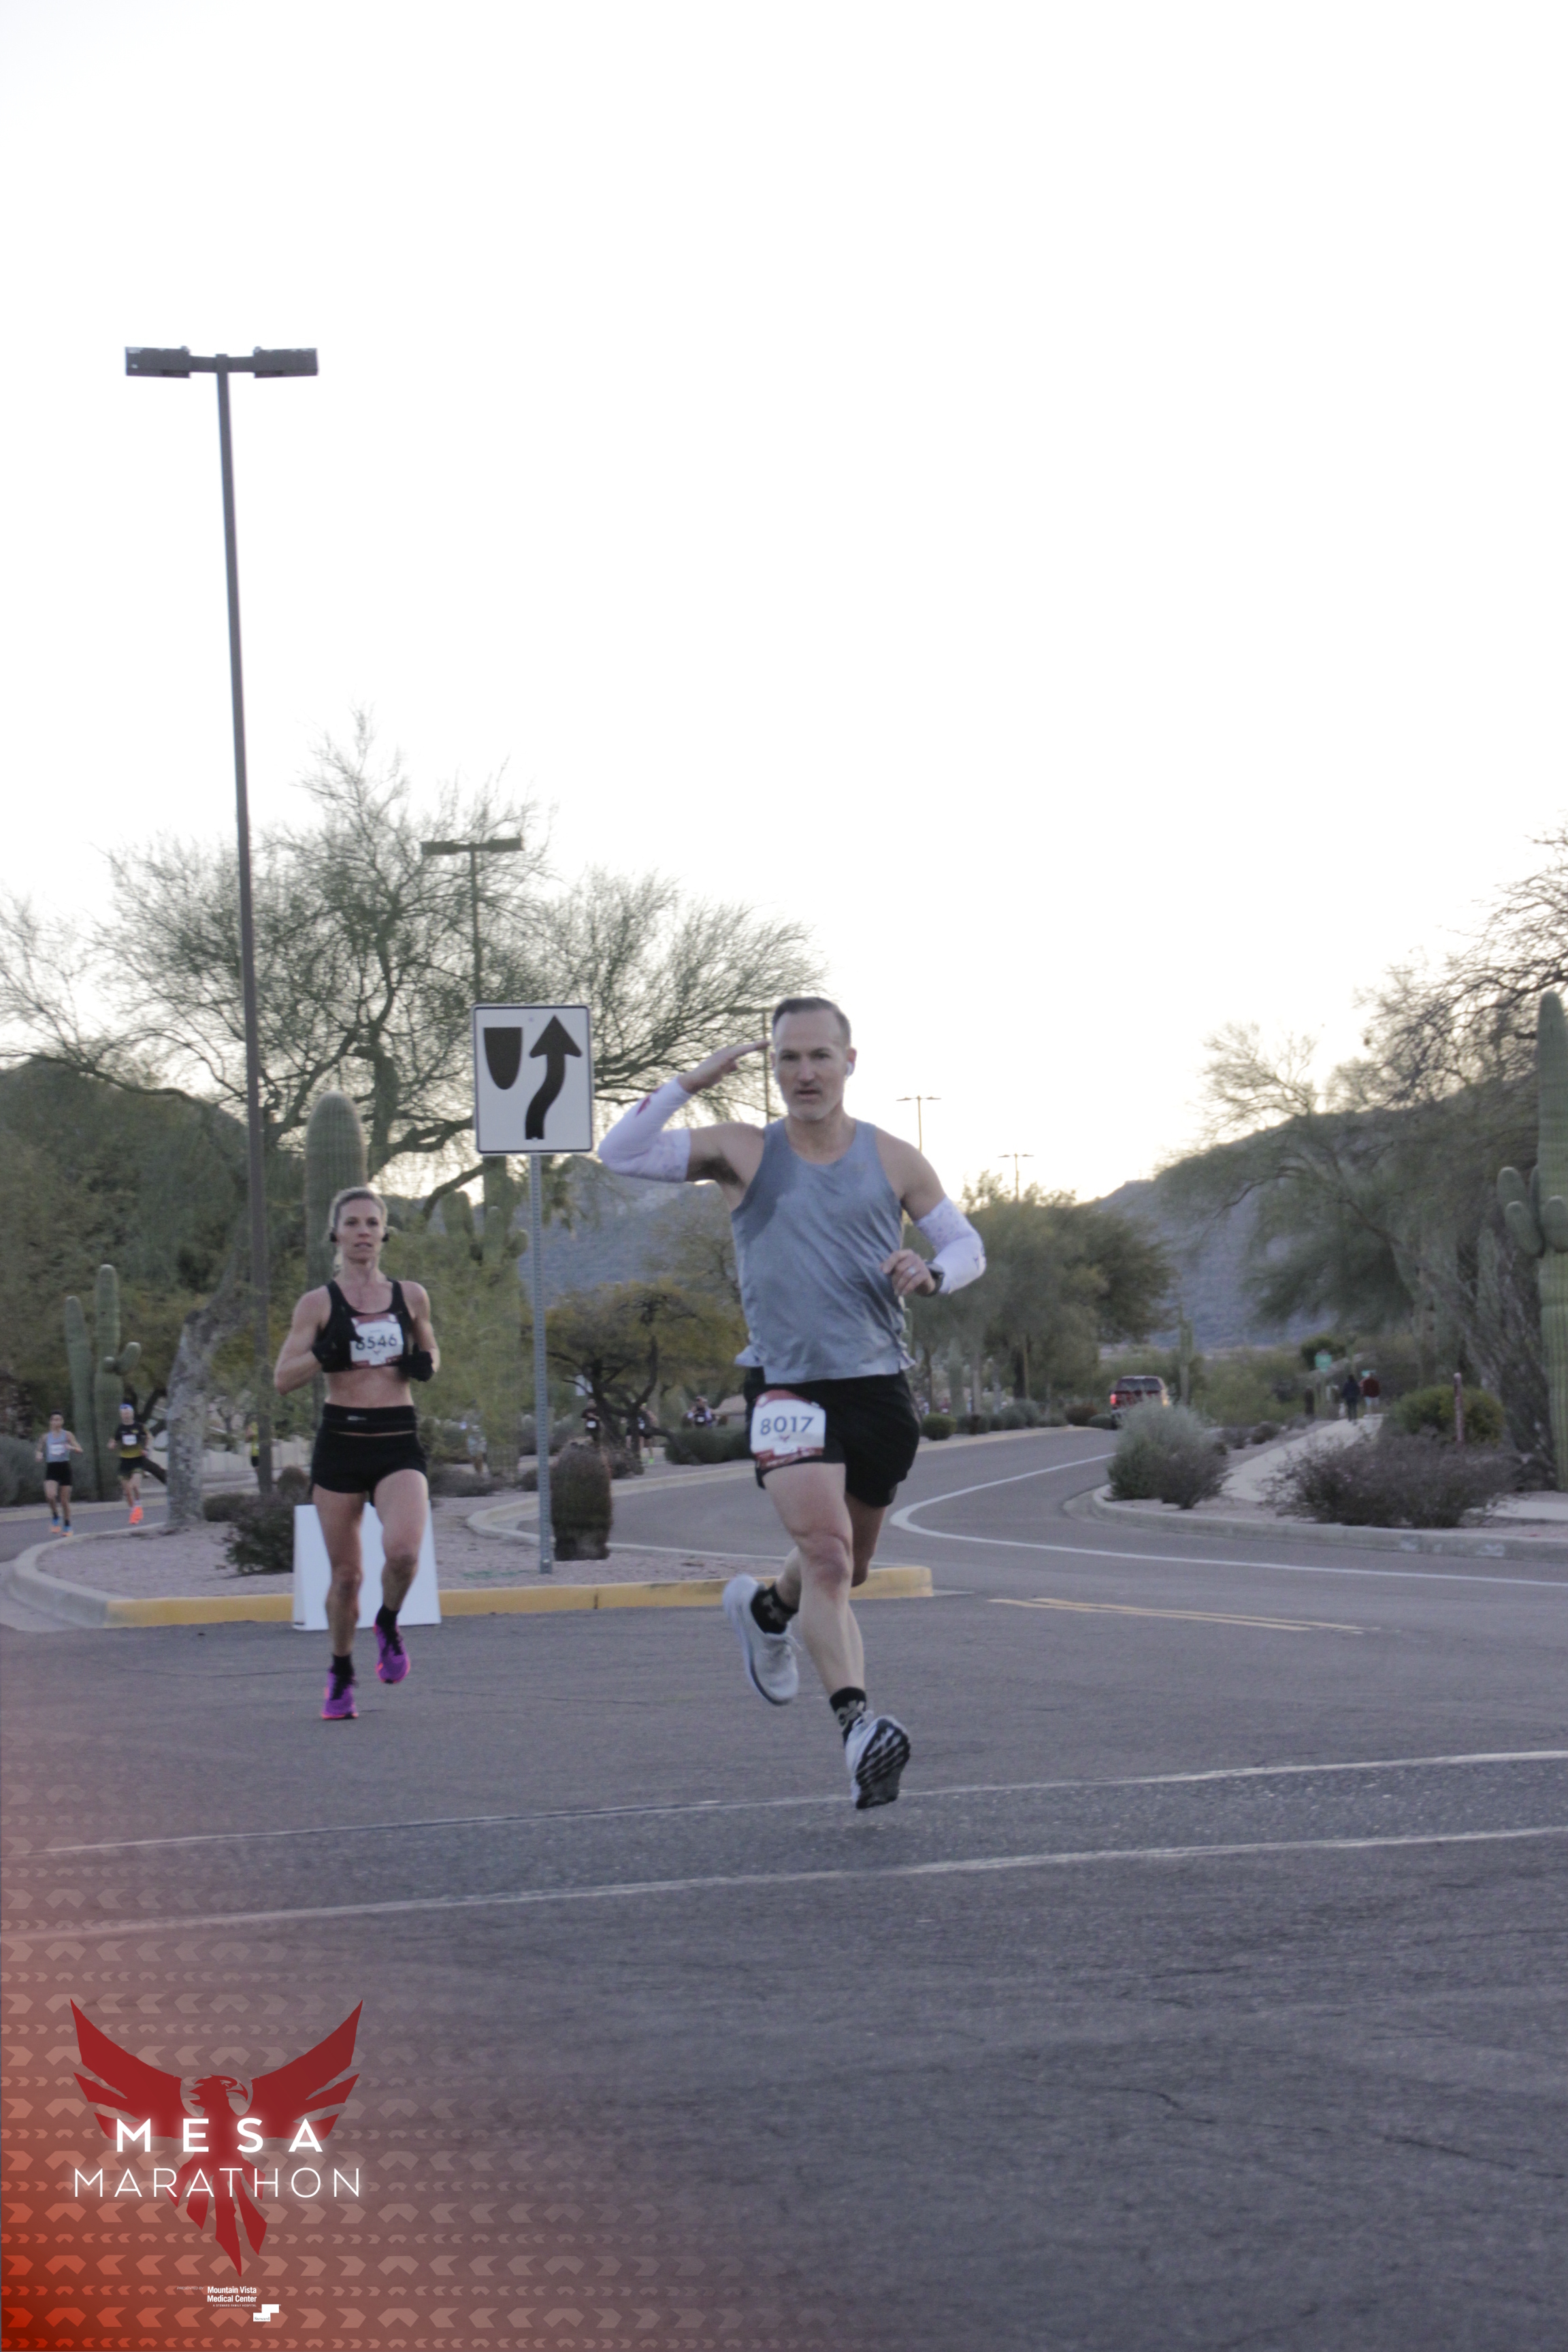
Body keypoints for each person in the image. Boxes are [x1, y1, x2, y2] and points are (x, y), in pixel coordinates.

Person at [598, 996, 985, 1808]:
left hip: (877, 1387)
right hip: (785, 1384)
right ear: (772, 1067)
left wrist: (933, 1273)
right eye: (788, 1058)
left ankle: (768, 1613)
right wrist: (692, 1081)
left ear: (850, 1062)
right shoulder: (743, 1150)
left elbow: (965, 1243)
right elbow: (621, 1152)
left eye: (819, 1056)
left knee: (851, 1567)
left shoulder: (895, 1159)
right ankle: (859, 1731)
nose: (804, 1073)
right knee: (829, 1557)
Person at [274, 1186, 439, 1721]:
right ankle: (341, 1671)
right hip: (341, 1443)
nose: (363, 1232)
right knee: (347, 1578)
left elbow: (431, 1348)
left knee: (404, 1554)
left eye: (372, 1222)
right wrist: (323, 1353)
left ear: (384, 1233)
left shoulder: (411, 1295)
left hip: (397, 1438)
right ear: (336, 1234)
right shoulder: (318, 1304)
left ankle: (387, 1623)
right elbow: (282, 1378)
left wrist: (425, 1364)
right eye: (352, 1223)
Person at [35, 1412, 83, 1533]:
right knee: (50, 1495)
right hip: (52, 1468)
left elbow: (80, 1450)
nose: (56, 1422)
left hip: (64, 1468)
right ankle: (55, 1515)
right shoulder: (45, 1437)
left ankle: (67, 1525)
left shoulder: (67, 1435)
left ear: (62, 1422)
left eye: (59, 1420)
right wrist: (39, 1455)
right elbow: (39, 1450)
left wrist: (72, 1448)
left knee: (64, 1501)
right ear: (51, 1422)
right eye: (54, 1420)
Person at [111, 1400, 149, 1526]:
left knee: (134, 1486)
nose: (126, 1415)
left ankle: (138, 1504)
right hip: (125, 1462)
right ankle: (134, 1512)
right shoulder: (120, 1428)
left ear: (132, 1414)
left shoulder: (139, 1427)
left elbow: (148, 1437)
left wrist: (146, 1449)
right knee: (127, 1492)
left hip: (137, 1460)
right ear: (121, 1415)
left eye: (128, 1413)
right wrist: (112, 1444)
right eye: (124, 1414)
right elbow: (114, 1440)